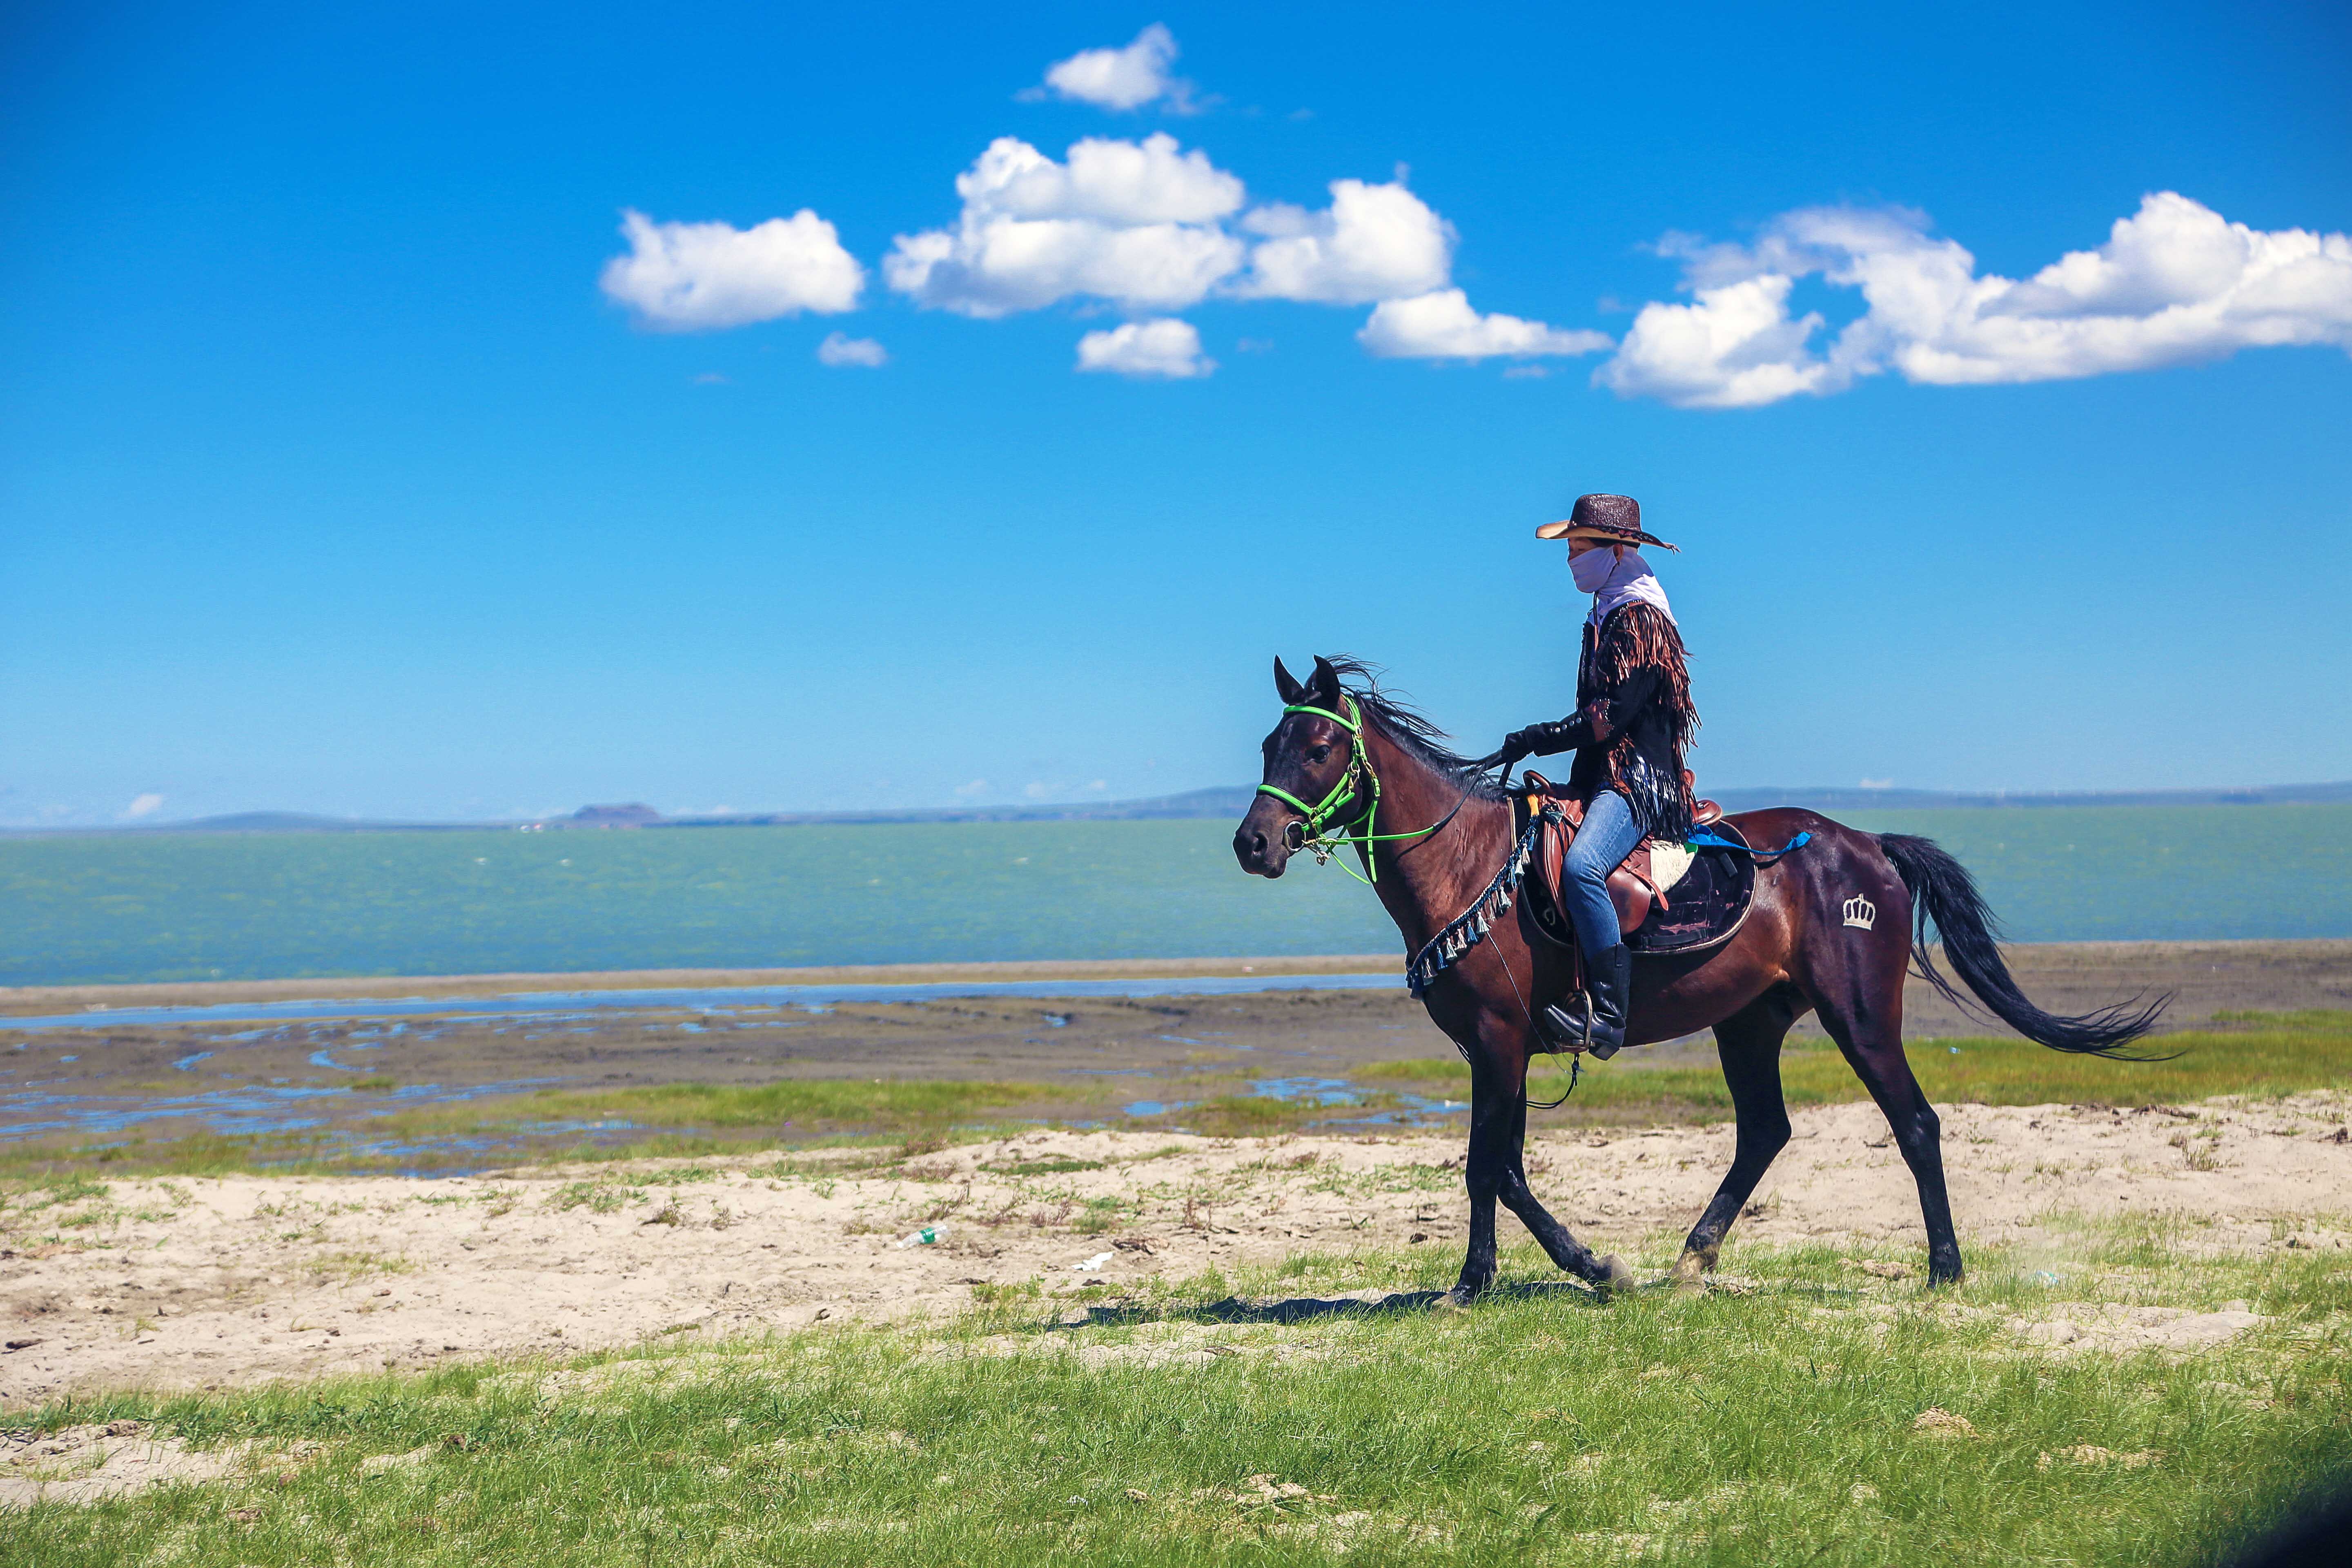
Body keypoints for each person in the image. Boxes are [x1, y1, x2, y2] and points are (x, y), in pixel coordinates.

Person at [1497, 494, 1699, 1054]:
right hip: (1603, 775)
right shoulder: (1606, 614)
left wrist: (1539, 737)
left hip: (1637, 781)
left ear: (1616, 552)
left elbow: (1609, 719)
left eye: (1580, 548)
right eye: (1569, 549)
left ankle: (1608, 1016)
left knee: (1584, 867)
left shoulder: (1640, 620)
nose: (1570, 560)